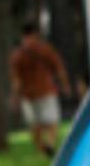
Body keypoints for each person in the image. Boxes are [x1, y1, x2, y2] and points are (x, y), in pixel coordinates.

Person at [9, 21, 72, 157]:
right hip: (46, 90)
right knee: (52, 121)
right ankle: (49, 143)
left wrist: (15, 97)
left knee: (34, 124)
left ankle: (41, 151)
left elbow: (16, 80)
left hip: (28, 94)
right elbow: (59, 69)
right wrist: (65, 86)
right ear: (36, 34)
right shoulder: (45, 49)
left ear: (23, 35)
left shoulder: (17, 55)